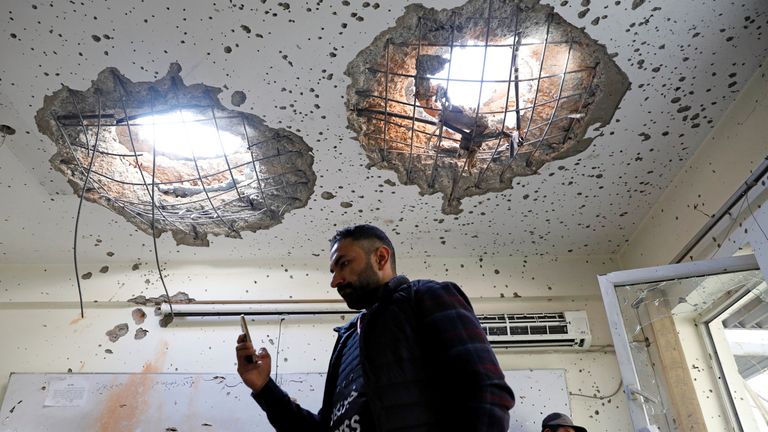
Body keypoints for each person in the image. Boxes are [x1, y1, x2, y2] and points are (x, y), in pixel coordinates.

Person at [236, 224, 515, 431]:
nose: (335, 281)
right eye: (333, 272)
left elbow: (485, 391)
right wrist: (263, 387)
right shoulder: (346, 340)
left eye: (343, 264)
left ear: (381, 258)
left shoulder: (426, 296)